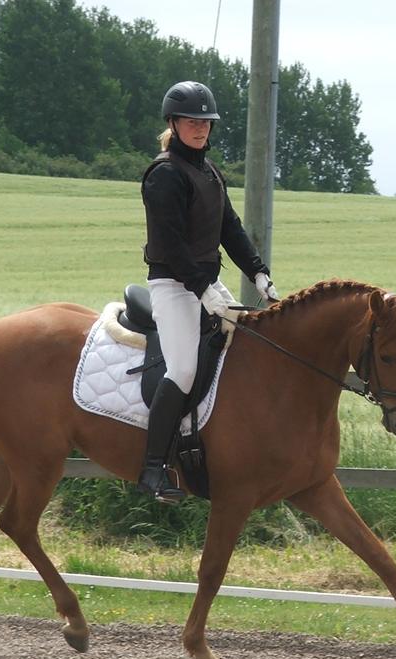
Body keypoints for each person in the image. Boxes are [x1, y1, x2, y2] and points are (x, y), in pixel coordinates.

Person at [136, 80, 279, 502]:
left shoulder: (208, 171)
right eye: (191, 121)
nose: (200, 128)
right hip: (173, 285)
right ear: (174, 123)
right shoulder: (164, 175)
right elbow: (171, 245)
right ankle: (152, 470)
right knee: (182, 370)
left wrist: (258, 273)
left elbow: (229, 228)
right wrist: (203, 290)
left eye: (206, 122)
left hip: (203, 282)